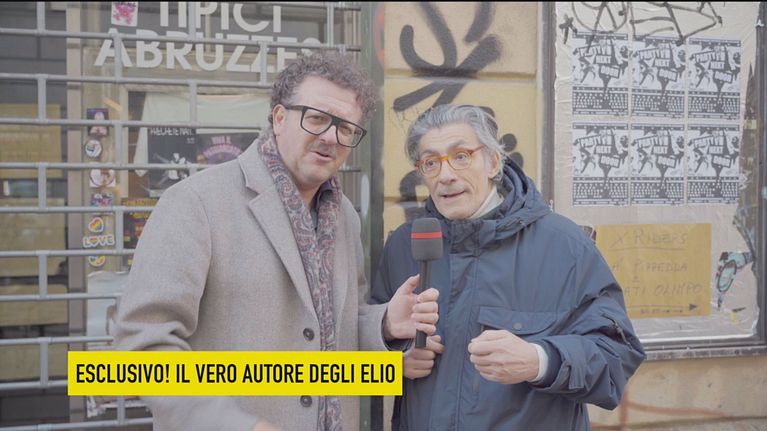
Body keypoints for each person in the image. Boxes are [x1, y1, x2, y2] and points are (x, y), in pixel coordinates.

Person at [113, 51, 439, 431]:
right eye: (316, 118)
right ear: (280, 118)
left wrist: (384, 324)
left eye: (346, 128)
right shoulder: (195, 202)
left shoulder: (345, 217)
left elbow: (334, 329)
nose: (330, 137)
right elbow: (142, 345)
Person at [370, 104, 645, 430]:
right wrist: (393, 365)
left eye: (461, 156)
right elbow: (355, 358)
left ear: (493, 162)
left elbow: (617, 359)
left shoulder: (564, 246)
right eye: (431, 163)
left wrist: (540, 362)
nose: (445, 175)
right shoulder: (404, 245)